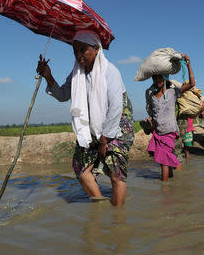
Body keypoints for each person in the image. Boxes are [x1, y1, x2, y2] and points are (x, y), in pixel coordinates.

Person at [36, 30, 134, 206]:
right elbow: (63, 94)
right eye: (75, 51)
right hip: (92, 127)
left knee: (115, 173)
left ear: (96, 49)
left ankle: (118, 223)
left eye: (83, 50)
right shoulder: (76, 74)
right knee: (80, 167)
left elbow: (116, 107)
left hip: (117, 125)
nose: (79, 55)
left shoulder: (110, 72)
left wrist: (105, 139)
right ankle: (101, 207)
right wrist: (47, 76)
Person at [145, 54, 195, 182]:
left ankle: (165, 190)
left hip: (170, 133)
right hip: (158, 133)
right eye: (154, 79)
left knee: (163, 163)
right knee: (166, 161)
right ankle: (171, 181)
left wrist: (188, 65)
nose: (157, 81)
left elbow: (191, 84)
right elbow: (153, 114)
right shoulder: (152, 96)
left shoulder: (172, 93)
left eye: (159, 78)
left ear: (165, 78)